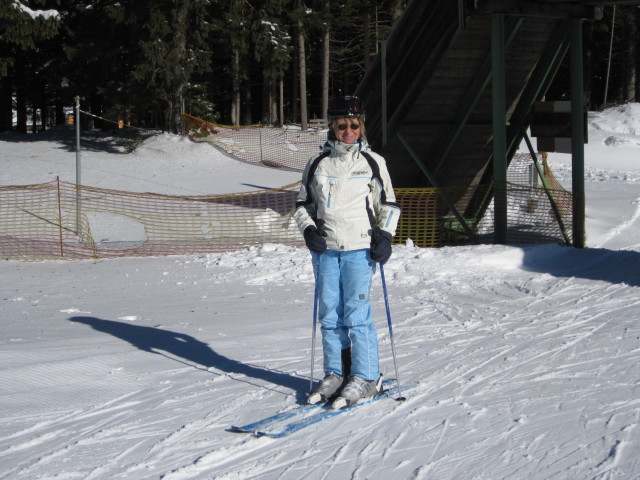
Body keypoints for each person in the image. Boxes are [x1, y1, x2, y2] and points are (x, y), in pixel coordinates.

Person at [294, 96, 401, 407]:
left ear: (361, 126)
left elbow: (389, 204)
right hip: (326, 250)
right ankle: (336, 373)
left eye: (354, 125)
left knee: (356, 314)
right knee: (329, 314)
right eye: (342, 125)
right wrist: (309, 230)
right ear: (333, 127)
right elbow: (303, 205)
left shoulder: (372, 162)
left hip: (359, 250)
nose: (349, 131)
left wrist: (385, 236)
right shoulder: (317, 163)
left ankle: (367, 376)